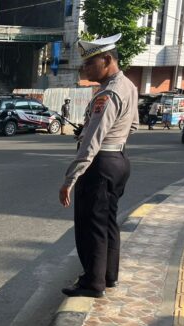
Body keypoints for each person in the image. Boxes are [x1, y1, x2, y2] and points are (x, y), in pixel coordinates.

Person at [59, 34, 138, 298]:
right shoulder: (128, 85)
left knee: (90, 225)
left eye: (90, 63)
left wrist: (71, 178)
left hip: (101, 165)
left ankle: (92, 283)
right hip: (118, 160)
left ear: (107, 59)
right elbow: (133, 125)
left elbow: (92, 141)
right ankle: (108, 276)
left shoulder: (109, 93)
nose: (86, 69)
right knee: (107, 223)